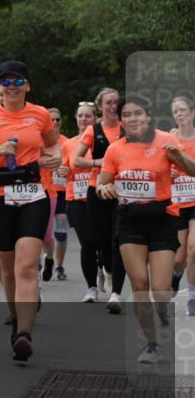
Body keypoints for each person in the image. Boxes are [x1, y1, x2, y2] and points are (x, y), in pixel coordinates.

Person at [0, 60, 61, 363]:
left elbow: (53, 146)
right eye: (5, 81)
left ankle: (24, 335)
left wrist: (52, 160)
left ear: (28, 86)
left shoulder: (40, 114)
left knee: (26, 266)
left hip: (33, 194)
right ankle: (16, 318)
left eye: (18, 81)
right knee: (8, 269)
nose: (11, 86)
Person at [96, 94, 195, 362]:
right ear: (121, 120)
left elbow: (192, 170)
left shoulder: (166, 141)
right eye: (127, 115)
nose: (132, 119)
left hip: (162, 221)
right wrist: (104, 188)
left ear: (148, 116)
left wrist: (178, 156)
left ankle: (162, 311)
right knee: (139, 283)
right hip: (130, 222)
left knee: (160, 288)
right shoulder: (115, 150)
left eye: (138, 113)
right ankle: (151, 344)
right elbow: (101, 183)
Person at [75, 88, 127, 313]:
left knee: (119, 240)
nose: (113, 106)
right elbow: (77, 160)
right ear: (100, 106)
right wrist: (101, 163)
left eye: (116, 102)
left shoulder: (128, 129)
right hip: (98, 191)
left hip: (123, 191)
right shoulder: (93, 130)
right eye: (109, 103)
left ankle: (116, 293)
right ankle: (106, 268)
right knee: (103, 241)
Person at [65, 102, 101, 302]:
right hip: (76, 200)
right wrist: (63, 171)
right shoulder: (68, 145)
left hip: (99, 198)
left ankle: (104, 267)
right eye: (80, 116)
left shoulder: (102, 142)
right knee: (87, 244)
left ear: (95, 119)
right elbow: (64, 169)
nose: (83, 119)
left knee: (102, 243)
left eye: (88, 116)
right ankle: (91, 288)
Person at [166, 96, 195, 316]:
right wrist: (170, 172)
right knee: (179, 257)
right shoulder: (168, 139)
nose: (179, 114)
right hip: (177, 203)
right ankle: (176, 276)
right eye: (175, 111)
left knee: (194, 250)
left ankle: (192, 296)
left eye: (183, 110)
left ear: (192, 112)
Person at [43, 107, 70, 281]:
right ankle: (45, 259)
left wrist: (66, 170)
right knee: (42, 232)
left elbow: (74, 165)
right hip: (44, 190)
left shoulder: (66, 142)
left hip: (62, 193)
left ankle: (59, 266)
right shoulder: (39, 141)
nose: (54, 122)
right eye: (51, 119)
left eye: (57, 119)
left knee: (60, 232)